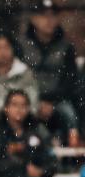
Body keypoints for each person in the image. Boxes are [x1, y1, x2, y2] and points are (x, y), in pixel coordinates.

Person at [17, 0, 80, 133]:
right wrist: (35, 101)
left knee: (70, 115)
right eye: (43, 16)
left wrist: (51, 102)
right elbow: (18, 76)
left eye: (53, 16)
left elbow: (70, 80)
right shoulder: (21, 45)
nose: (49, 20)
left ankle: (73, 148)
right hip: (28, 99)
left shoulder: (66, 47)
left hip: (58, 100)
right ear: (33, 19)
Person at [0, 33, 38, 137]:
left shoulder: (25, 74)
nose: (2, 52)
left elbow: (33, 106)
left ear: (13, 49)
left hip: (21, 131)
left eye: (6, 47)